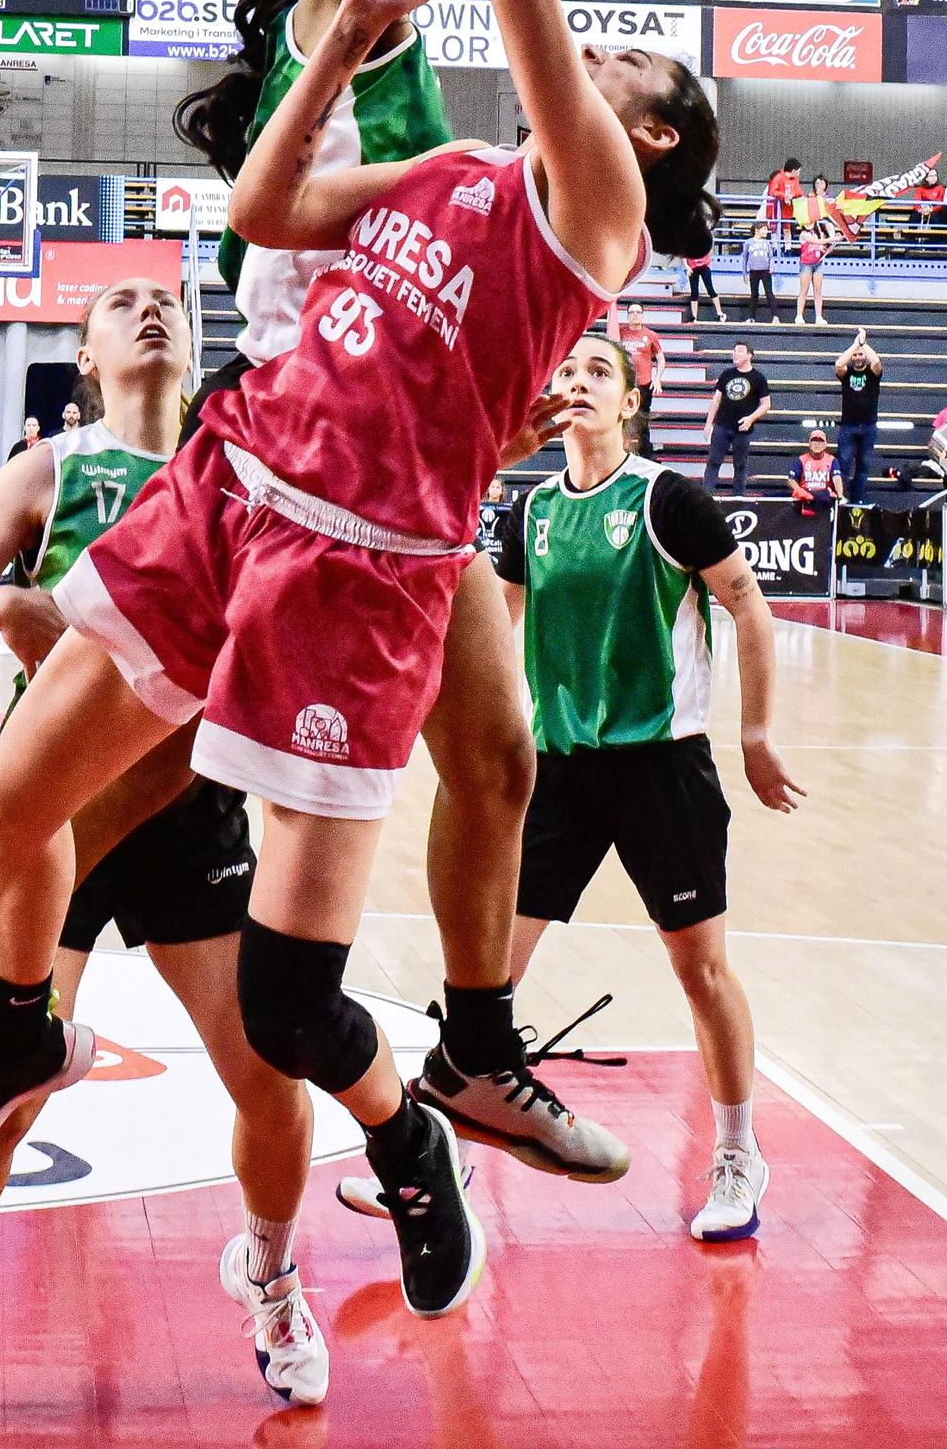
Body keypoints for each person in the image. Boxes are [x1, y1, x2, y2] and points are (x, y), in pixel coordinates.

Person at [0, 0, 724, 1325]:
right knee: (78, 813)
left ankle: (462, 1049)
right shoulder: (365, 59)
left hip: (384, 506)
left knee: (489, 764)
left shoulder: (509, 152)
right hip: (276, 453)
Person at [0, 279, 325, 1425]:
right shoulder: (51, 470)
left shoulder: (239, 463)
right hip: (55, 810)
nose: (150, 312)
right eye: (122, 304)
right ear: (85, 352)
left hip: (192, 801)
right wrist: (12, 605)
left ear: (201, 337)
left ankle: (267, 1274)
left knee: (272, 1077)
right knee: (5, 1100)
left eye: (167, 299)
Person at [338, 335, 800, 1242]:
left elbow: (748, 602)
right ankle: (444, 1152)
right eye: (565, 372)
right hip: (556, 773)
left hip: (660, 767)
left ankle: (739, 1151)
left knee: (697, 968)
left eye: (598, 374)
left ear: (630, 401)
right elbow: (485, 626)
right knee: (487, 979)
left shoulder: (668, 499)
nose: (578, 384)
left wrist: (752, 735)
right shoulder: (532, 511)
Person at [702, 343, 770, 494]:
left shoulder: (758, 378)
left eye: (739, 351)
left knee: (740, 465)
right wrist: (708, 423)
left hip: (742, 428)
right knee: (713, 462)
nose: (735, 354)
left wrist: (751, 418)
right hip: (722, 425)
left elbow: (766, 404)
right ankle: (706, 495)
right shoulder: (727, 374)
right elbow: (716, 400)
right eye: (734, 351)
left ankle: (738, 497)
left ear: (749, 355)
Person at [835, 330, 883, 503]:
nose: (857, 357)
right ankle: (842, 499)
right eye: (854, 355)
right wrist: (856, 344)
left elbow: (876, 361)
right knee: (844, 464)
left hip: (869, 426)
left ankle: (858, 501)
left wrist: (864, 343)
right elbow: (839, 364)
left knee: (863, 467)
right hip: (848, 426)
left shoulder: (872, 374)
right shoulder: (846, 373)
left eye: (860, 355)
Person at [788, 429, 844, 517]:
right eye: (814, 441)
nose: (817, 444)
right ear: (809, 444)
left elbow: (837, 478)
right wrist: (799, 491)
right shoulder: (801, 459)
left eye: (821, 441)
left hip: (824, 500)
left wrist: (840, 496)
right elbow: (791, 480)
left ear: (826, 444)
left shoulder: (832, 460)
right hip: (805, 498)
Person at [741, 222, 778, 322]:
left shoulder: (767, 243)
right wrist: (745, 273)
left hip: (765, 271)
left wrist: (771, 266)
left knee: (769, 293)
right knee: (754, 294)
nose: (766, 231)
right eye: (764, 229)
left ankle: (775, 316)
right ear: (757, 230)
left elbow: (771, 257)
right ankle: (752, 317)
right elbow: (745, 258)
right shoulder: (748, 243)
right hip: (754, 271)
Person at [795, 220, 828, 324]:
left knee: (818, 291)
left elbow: (822, 247)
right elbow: (818, 242)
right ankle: (799, 315)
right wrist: (833, 238)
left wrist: (828, 247)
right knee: (804, 290)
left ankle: (818, 316)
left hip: (818, 263)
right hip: (806, 264)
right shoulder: (804, 234)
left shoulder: (819, 233)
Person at [763, 158, 801, 242]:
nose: (799, 173)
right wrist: (784, 196)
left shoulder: (795, 180)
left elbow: (799, 191)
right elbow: (772, 191)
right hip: (775, 207)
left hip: (787, 208)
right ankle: (775, 246)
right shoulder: (778, 177)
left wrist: (792, 195)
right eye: (798, 171)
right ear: (793, 170)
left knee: (787, 228)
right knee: (774, 228)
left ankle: (788, 247)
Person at [685, 245, 726, 323]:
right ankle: (694, 316)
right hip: (693, 267)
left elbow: (710, 250)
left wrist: (707, 261)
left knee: (710, 289)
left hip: (704, 266)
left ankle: (720, 313)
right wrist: (687, 266)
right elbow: (683, 254)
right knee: (694, 292)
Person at [476, 474, 510, 564]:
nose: (495, 490)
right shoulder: (478, 507)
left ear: (502, 491)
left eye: (498, 487)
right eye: (492, 487)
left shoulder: (507, 509)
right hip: (482, 548)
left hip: (498, 548)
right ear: (488, 489)